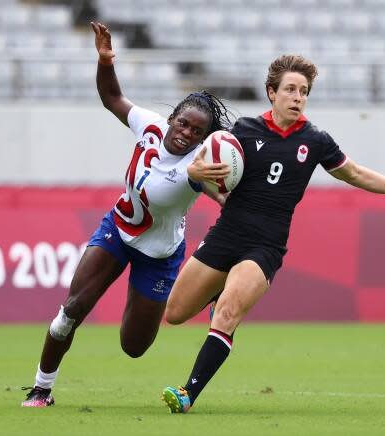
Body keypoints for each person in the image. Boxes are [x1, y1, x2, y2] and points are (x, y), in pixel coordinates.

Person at [161, 54, 385, 413]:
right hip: (226, 234)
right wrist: (199, 171)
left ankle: (187, 394)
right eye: (290, 89)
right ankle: (221, 289)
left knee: (227, 313)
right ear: (271, 93)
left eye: (304, 91)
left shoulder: (316, 140)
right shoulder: (242, 131)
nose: (297, 97)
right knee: (176, 312)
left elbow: (353, 173)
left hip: (264, 247)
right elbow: (200, 164)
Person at [21, 21, 234, 407]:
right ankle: (41, 389)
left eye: (196, 131)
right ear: (171, 119)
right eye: (183, 122)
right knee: (71, 310)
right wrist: (105, 61)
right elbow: (112, 97)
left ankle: (204, 288)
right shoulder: (150, 126)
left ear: (203, 140)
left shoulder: (199, 169)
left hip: (159, 256)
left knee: (133, 347)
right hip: (117, 230)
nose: (185, 132)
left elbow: (222, 198)